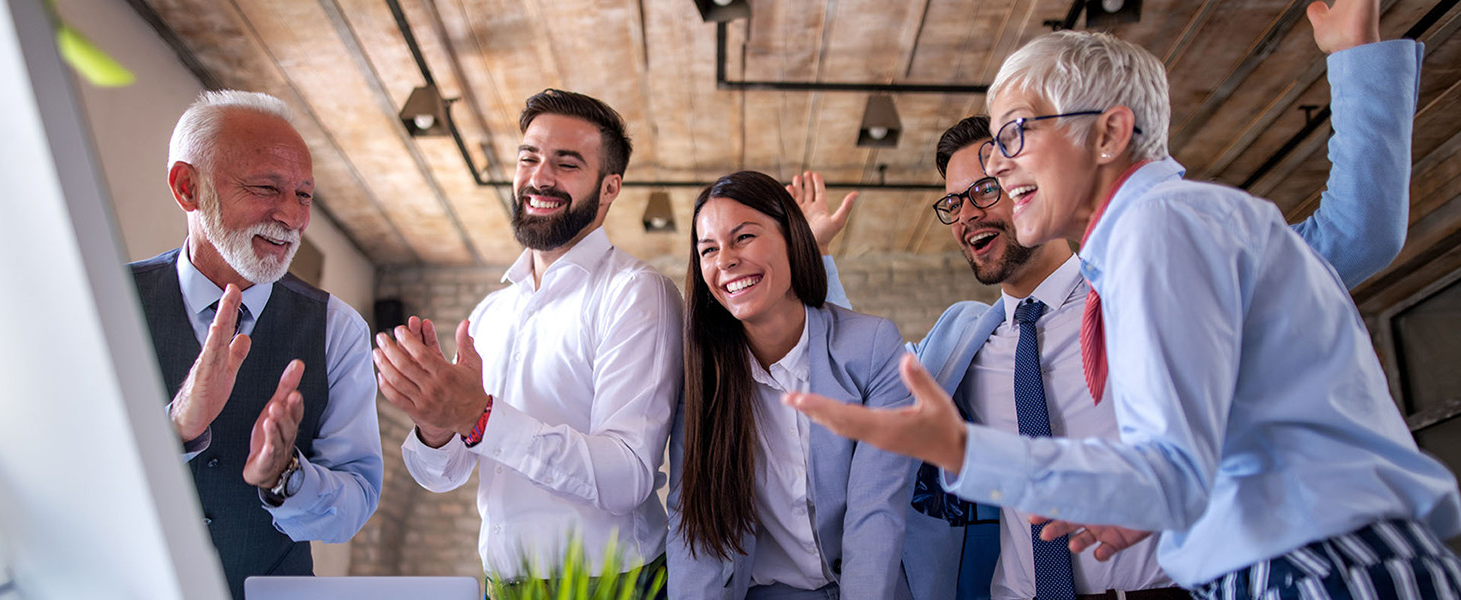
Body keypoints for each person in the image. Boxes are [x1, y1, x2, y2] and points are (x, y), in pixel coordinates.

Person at [788, 2, 1461, 598]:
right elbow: (864, 361)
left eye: (1012, 141)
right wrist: (811, 260)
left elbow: (1353, 235)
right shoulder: (972, 335)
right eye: (958, 197)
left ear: (1109, 134)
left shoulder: (1156, 235)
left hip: (1303, 560)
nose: (991, 178)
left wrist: (968, 453)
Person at [373, 89, 680, 593]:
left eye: (566, 163)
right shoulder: (491, 313)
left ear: (609, 189)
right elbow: (442, 474)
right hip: (502, 585)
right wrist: (436, 423)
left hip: (612, 584)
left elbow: (627, 476)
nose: (540, 177)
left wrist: (479, 416)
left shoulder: (635, 293)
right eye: (529, 157)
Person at [131, 90, 382, 600]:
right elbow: (60, 470)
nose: (291, 217)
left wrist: (284, 476)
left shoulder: (338, 328)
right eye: (267, 187)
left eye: (305, 195)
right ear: (188, 187)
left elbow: (354, 503)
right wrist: (175, 428)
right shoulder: (105, 299)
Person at [665, 171, 916, 600]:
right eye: (708, 249)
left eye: (743, 237)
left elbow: (875, 515)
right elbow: (695, 526)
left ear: (792, 238)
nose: (724, 259)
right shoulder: (703, 375)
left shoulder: (872, 347)